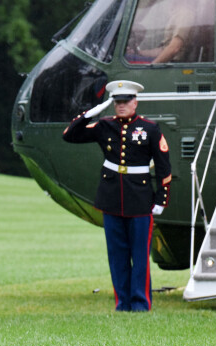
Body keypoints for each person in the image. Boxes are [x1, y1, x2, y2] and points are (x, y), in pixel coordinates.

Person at [63, 80, 171, 312]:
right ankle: (122, 303)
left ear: (135, 102)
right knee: (117, 255)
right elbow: (69, 135)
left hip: (140, 199)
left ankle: (141, 303)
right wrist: (91, 113)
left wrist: (161, 199)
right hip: (111, 198)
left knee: (140, 256)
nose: (121, 106)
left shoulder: (150, 128)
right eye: (117, 102)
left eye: (125, 101)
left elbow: (163, 167)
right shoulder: (104, 125)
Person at [126, 0, 196, 64]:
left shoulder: (185, 14)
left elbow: (174, 49)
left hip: (173, 65)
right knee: (129, 57)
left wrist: (151, 67)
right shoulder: (177, 13)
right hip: (168, 63)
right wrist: (139, 53)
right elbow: (163, 50)